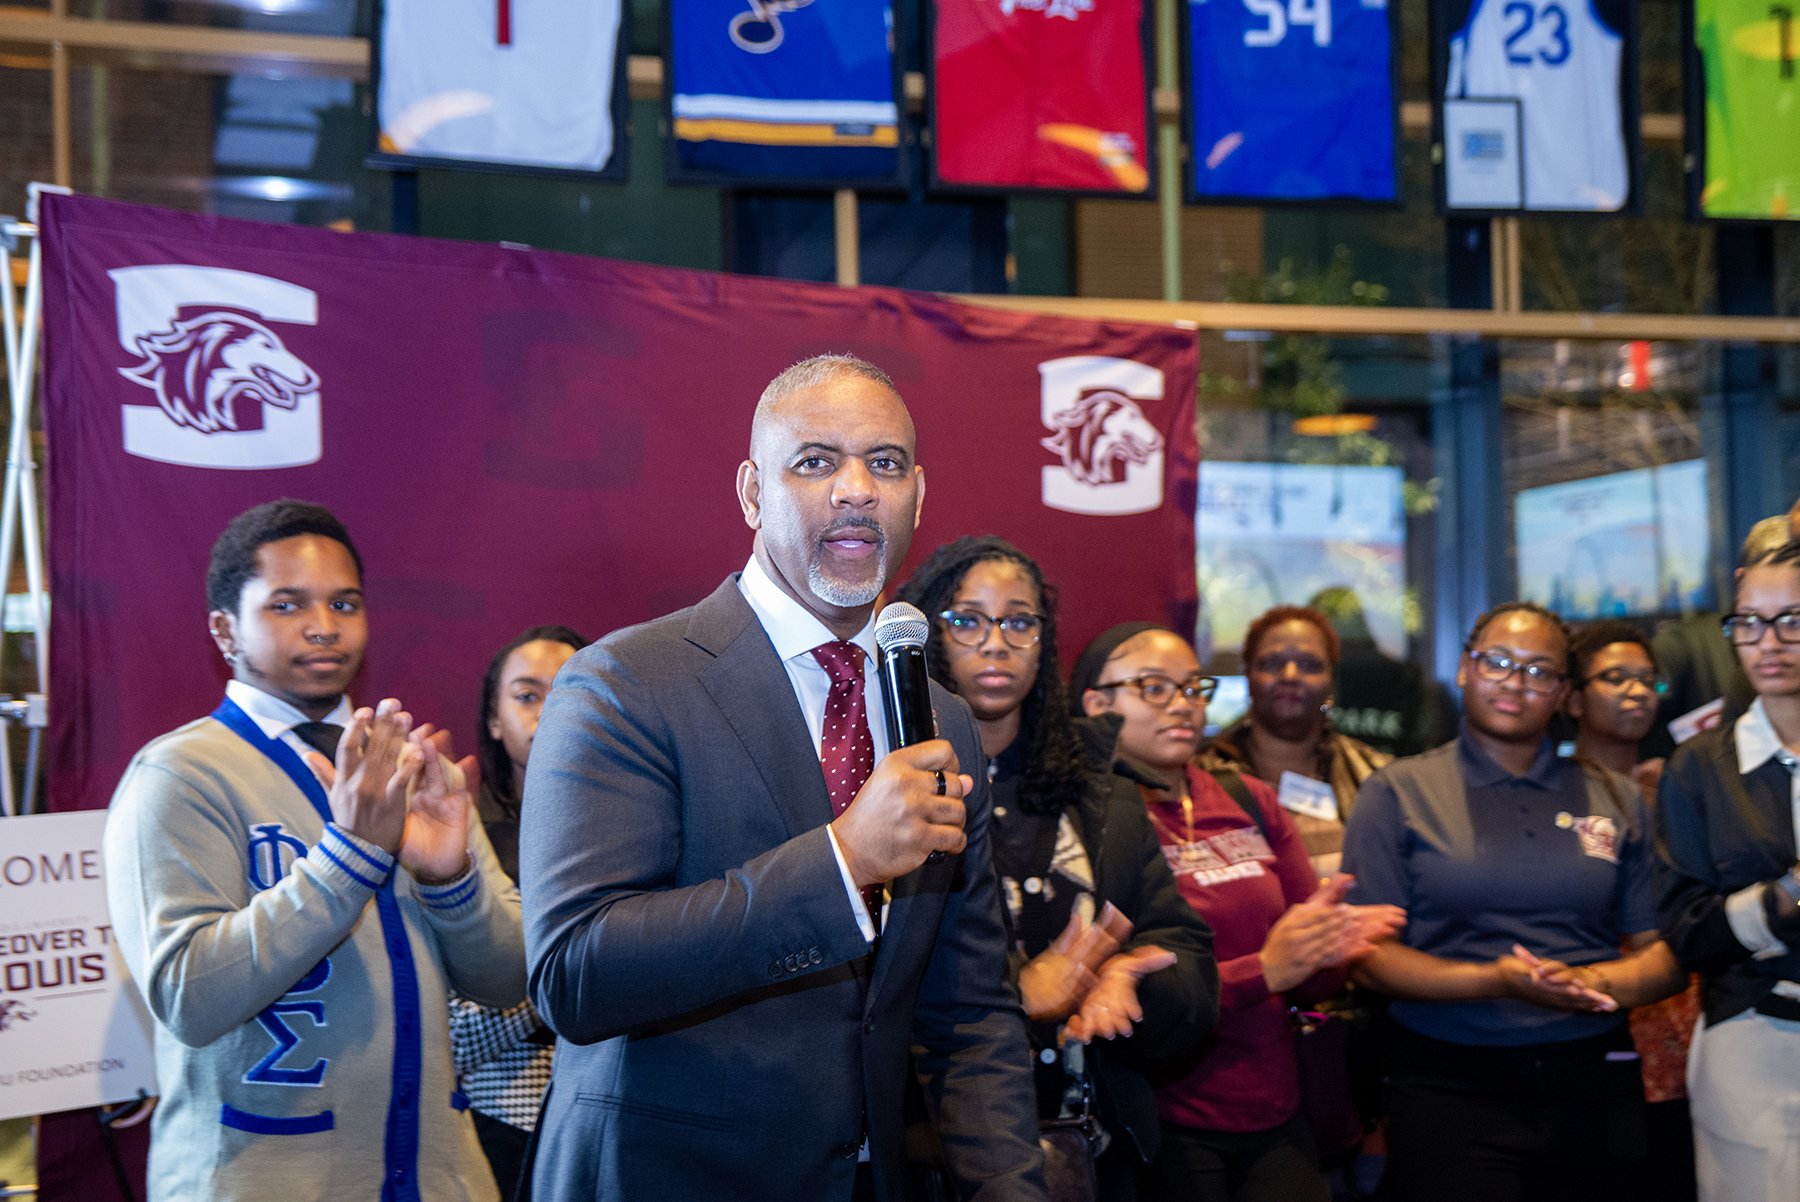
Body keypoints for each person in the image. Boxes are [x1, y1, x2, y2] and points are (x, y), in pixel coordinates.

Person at [519, 356, 1045, 1200]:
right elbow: (575, 975)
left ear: (917, 495)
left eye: (885, 463)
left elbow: (969, 1010)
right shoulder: (626, 681)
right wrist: (844, 862)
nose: (856, 490)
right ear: (752, 493)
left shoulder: (941, 722)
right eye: (815, 462)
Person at [103, 499, 527, 1202]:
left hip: (439, 1178)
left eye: (345, 603)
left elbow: (506, 978)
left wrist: (450, 878)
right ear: (224, 628)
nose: (324, 627)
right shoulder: (178, 774)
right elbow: (188, 994)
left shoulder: (410, 768)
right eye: (287, 604)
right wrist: (350, 856)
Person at [894, 536, 1219, 1200]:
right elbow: (865, 987)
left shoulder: (1099, 790)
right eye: (967, 620)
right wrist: (1018, 994)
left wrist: (1127, 976)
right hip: (930, 1159)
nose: (996, 642)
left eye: (1019, 620)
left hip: (1095, 1148)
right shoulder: (886, 788)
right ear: (929, 633)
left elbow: (1188, 961)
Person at [1341, 601, 1685, 1202]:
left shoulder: (1617, 798)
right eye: (1497, 662)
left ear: (1563, 694)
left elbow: (1664, 958)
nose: (1515, 683)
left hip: (1592, 1080)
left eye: (1539, 671)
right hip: (1448, 1085)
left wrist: (1587, 981)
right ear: (1464, 669)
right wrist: (1496, 980)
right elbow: (1370, 956)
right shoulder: (1397, 792)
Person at [1070, 623, 1403, 1202]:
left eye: (1193, 688)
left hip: (1278, 1111)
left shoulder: (1249, 798)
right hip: (1162, 1117)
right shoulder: (1084, 824)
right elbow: (1116, 999)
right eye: (1153, 687)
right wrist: (1265, 970)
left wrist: (1334, 947)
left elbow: (1310, 978)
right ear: (1096, 704)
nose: (1182, 705)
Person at [1656, 538, 1800, 1202]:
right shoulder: (1700, 767)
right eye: (1749, 621)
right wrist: (1783, 898)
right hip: (1754, 1038)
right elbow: (1686, 932)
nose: (1767, 641)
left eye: (1791, 619)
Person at [449, 625, 588, 1196]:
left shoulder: (651, 826)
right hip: (504, 1125)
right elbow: (451, 1039)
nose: (549, 712)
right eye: (528, 695)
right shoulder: (457, 845)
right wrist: (577, 957)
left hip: (623, 1117)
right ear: (493, 719)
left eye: (570, 691)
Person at [1566, 619, 1698, 1202]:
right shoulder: (1559, 792)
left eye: (1648, 680)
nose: (1637, 692)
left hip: (1688, 1022)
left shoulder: (1680, 785)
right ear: (1572, 697)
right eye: (1615, 678)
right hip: (1596, 1014)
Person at [1199, 605, 1393, 876]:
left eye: (1309, 665)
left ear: (1331, 683)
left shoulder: (1376, 775)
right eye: (1272, 664)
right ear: (1248, 676)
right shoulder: (1201, 774)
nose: (1290, 676)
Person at [1307, 587, 1444, 758]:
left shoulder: (1309, 679)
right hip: (1394, 779)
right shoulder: (1406, 676)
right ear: (1362, 620)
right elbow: (1425, 743)